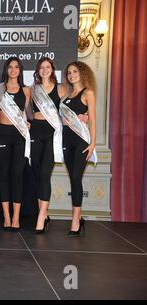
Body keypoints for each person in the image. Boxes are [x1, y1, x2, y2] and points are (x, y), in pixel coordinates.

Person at [28, 58, 68, 234]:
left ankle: (40, 218)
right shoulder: (33, 89)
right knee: (37, 174)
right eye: (42, 67)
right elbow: (27, 110)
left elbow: (69, 109)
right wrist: (27, 122)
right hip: (35, 131)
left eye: (48, 67)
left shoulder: (61, 89)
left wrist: (84, 117)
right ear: (38, 70)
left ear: (53, 69)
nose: (44, 70)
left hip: (52, 133)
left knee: (45, 174)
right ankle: (44, 214)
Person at [0, 57, 31, 232]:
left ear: (20, 70)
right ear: (6, 69)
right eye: (10, 67)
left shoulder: (26, 91)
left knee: (17, 175)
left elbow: (30, 114)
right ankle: (6, 217)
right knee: (3, 175)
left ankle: (16, 217)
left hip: (20, 136)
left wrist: (29, 122)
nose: (14, 70)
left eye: (17, 67)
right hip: (2, 135)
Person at [61, 61, 97, 236]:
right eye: (69, 73)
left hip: (82, 141)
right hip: (66, 140)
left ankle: (75, 220)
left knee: (76, 177)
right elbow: (62, 119)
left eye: (75, 71)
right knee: (73, 178)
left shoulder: (87, 93)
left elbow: (93, 120)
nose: (71, 75)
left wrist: (92, 144)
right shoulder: (66, 95)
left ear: (82, 73)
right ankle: (79, 217)